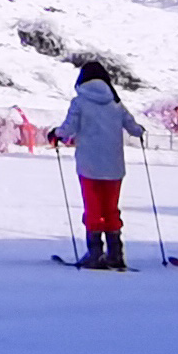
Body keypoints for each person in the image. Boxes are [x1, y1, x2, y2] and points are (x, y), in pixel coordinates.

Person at [47, 61, 139, 268]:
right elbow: (134, 128)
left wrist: (55, 135)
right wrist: (139, 131)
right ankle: (116, 253)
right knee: (111, 208)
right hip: (114, 166)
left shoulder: (80, 102)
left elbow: (68, 129)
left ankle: (95, 253)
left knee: (93, 208)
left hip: (89, 165)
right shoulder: (116, 103)